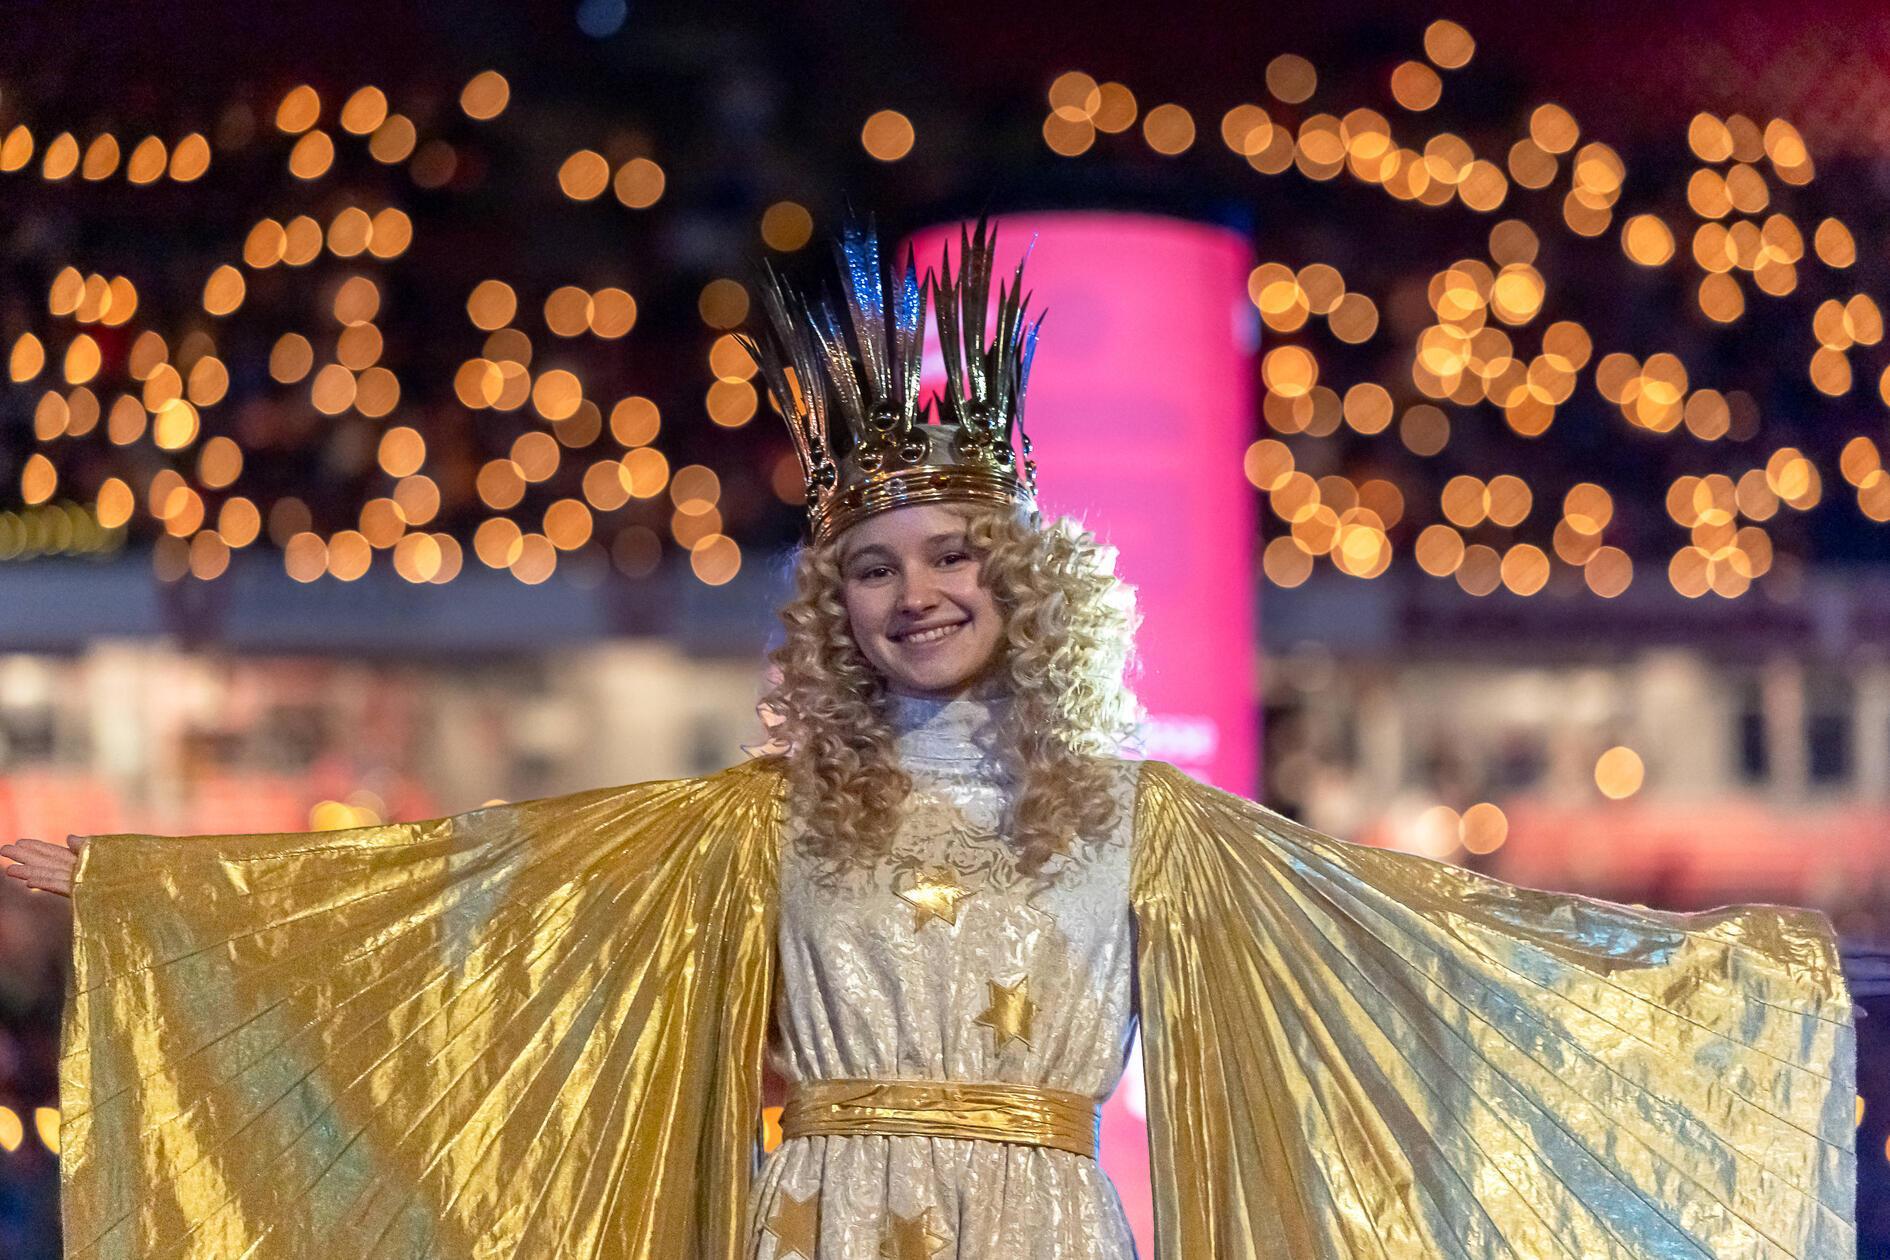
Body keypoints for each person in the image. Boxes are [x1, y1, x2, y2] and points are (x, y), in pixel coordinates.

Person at [0, 218, 1871, 1259]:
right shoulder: (747, 822)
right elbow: (458, 915)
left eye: (950, 557)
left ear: (1019, 578)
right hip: (815, 1230)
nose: (915, 596)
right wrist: (141, 892)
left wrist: (1768, 977)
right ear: (836, 601)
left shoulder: (1152, 826)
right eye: (875, 567)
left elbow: (1428, 954)